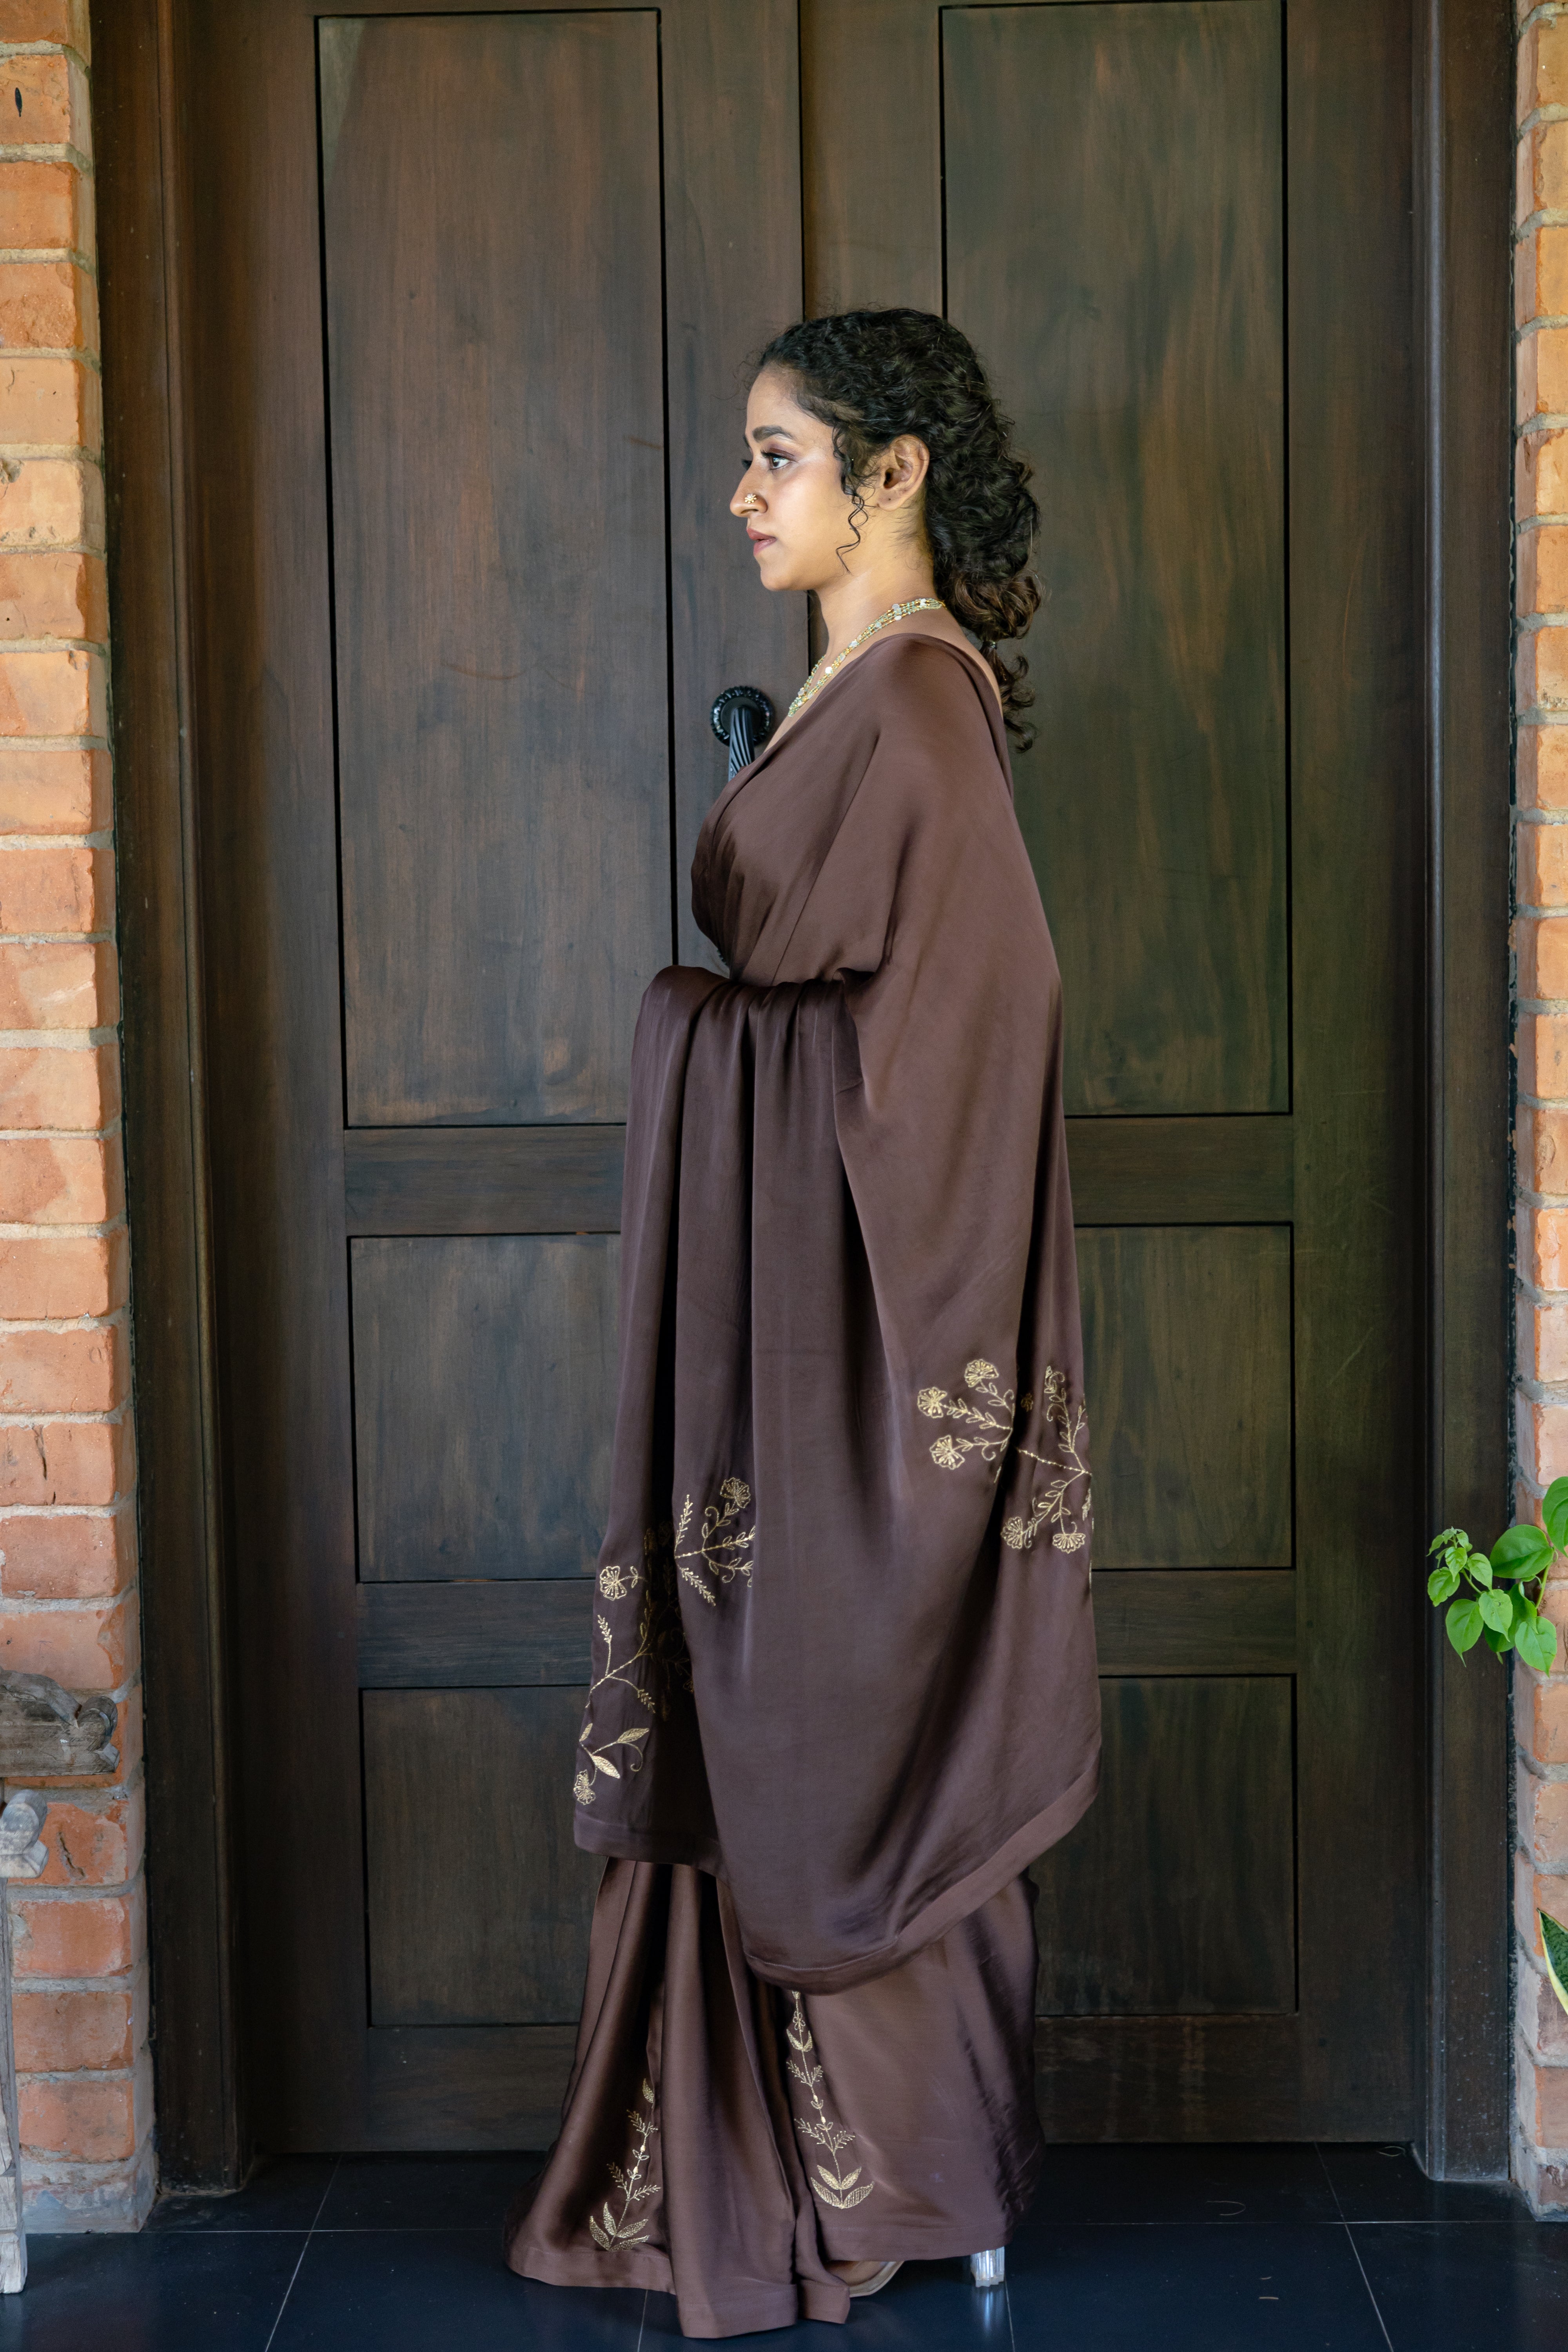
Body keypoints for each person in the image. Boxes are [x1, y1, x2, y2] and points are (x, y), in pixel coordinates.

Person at [506, 308, 1100, 2339]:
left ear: (896, 471)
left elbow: (976, 1046)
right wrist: (739, 1035)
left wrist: (706, 1044)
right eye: (750, 457)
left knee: (847, 1715)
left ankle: (902, 2176)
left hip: (857, 1346)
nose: (744, 493)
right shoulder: (863, 689)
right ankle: (775, 2153)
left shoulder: (923, 711)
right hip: (774, 1327)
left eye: (779, 456)